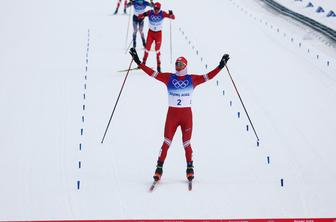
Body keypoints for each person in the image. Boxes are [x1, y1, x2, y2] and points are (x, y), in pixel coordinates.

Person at [129, 47, 230, 182]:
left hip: (186, 116)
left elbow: (208, 77)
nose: (178, 66)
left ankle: (190, 168)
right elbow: (152, 73)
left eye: (181, 64)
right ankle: (159, 168)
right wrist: (138, 62)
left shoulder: (192, 79)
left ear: (185, 66)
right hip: (172, 116)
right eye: (177, 64)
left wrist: (220, 66)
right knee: (166, 142)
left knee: (186, 143)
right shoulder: (168, 77)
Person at [138, 2, 175, 72]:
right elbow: (141, 15)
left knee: (157, 50)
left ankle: (159, 67)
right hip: (150, 33)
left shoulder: (162, 13)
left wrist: (171, 14)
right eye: (155, 8)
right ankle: (143, 63)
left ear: (160, 9)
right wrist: (141, 16)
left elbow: (173, 18)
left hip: (158, 34)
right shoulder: (150, 12)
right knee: (147, 48)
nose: (156, 10)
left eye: (157, 9)